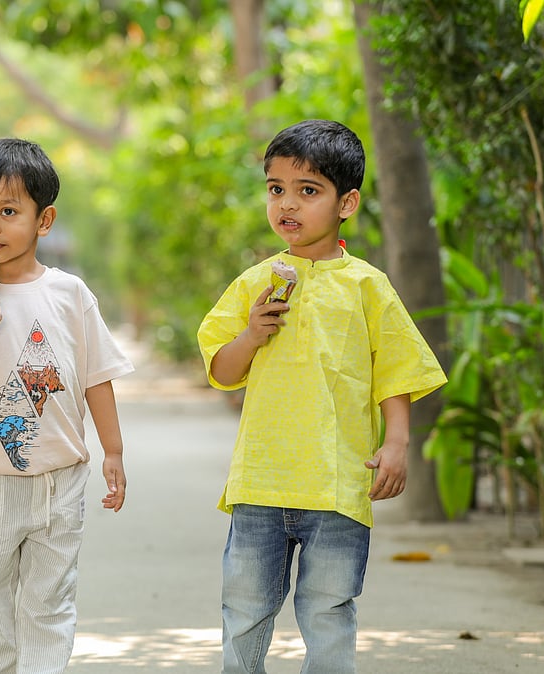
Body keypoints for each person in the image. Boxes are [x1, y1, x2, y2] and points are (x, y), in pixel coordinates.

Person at [196, 119, 447, 673]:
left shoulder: (367, 285)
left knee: (329, 609)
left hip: (338, 481)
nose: (287, 203)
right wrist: (251, 333)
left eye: (308, 191)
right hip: (261, 480)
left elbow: (397, 369)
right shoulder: (254, 282)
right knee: (244, 607)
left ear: (347, 202)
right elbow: (221, 367)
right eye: (276, 188)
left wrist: (397, 443)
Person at [0, 138, 134, 673]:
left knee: (49, 603)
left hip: (60, 481)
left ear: (44, 221)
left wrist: (111, 451)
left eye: (9, 211)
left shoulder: (70, 295)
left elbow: (97, 376)